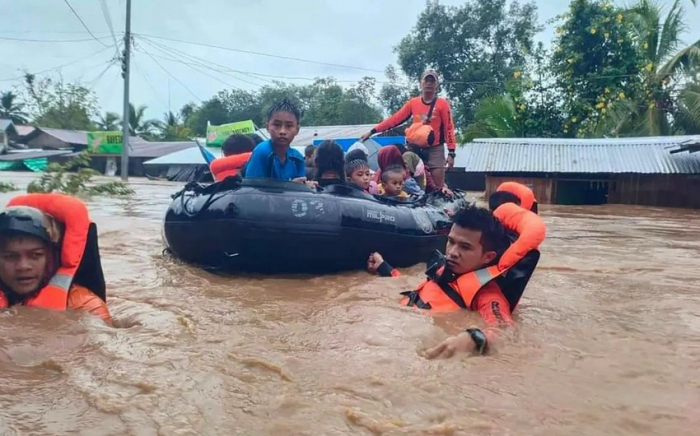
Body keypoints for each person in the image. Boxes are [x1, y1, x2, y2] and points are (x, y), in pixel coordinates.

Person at [367, 203, 545, 358]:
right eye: (451, 242)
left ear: (487, 257)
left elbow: (506, 331)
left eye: (465, 247)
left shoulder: (487, 296)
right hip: (385, 332)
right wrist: (384, 267)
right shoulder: (444, 270)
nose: (452, 252)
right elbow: (416, 290)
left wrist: (473, 339)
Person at [0, 193, 112, 325]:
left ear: (52, 257)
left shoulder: (85, 306)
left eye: (36, 255)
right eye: (10, 257)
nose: (23, 266)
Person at [360, 69, 457, 189]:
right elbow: (395, 119)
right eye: (426, 80)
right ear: (421, 83)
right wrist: (372, 131)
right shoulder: (413, 103)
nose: (429, 83)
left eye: (432, 81)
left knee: (438, 186)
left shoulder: (442, 104)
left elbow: (449, 128)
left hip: (435, 149)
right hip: (414, 148)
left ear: (436, 84)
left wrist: (451, 153)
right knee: (405, 177)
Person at [244, 99, 308, 184]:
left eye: (289, 126)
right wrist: (292, 185)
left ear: (297, 129)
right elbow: (253, 190)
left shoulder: (297, 158)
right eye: (277, 125)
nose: (282, 131)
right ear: (267, 127)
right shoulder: (262, 152)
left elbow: (301, 185)